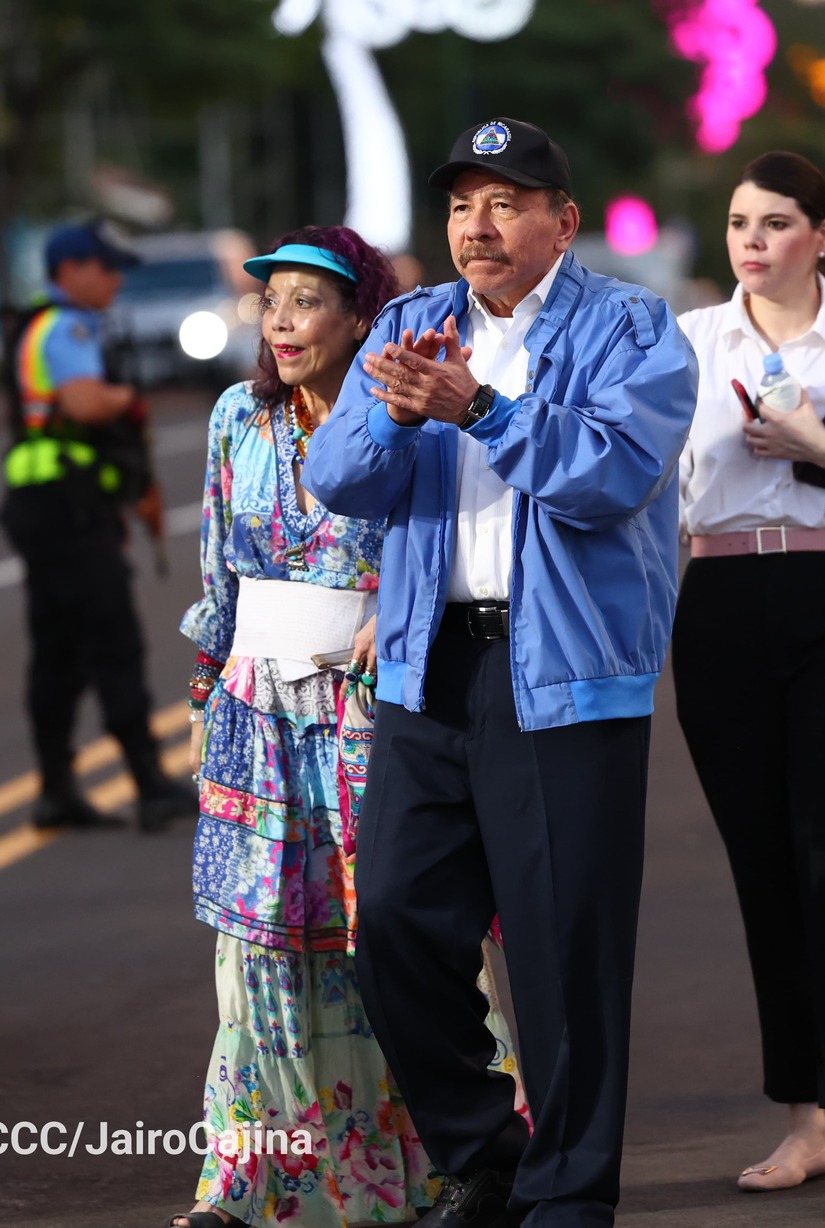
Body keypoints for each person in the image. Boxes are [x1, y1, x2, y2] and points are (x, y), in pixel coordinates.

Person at [303, 119, 698, 1228]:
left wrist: (479, 407)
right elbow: (337, 478)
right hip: (428, 667)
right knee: (394, 923)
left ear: (562, 224)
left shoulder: (630, 325)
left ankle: (570, 1194)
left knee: (565, 950)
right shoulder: (409, 323)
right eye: (461, 205)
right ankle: (489, 1152)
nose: (477, 225)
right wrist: (393, 414)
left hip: (562, 674)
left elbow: (614, 474)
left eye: (505, 202)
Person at [175, 224, 528, 1228]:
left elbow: (449, 545)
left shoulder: (408, 419)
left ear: (363, 317)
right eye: (271, 302)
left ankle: (457, 1162)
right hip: (255, 715)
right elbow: (217, 570)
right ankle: (244, 1184)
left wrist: (393, 609)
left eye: (307, 302)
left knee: (398, 938)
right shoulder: (237, 415)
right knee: (259, 952)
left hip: (372, 714)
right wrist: (205, 695)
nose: (282, 323)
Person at [673, 150, 825, 1192]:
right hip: (720, 602)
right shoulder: (688, 342)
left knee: (824, 856)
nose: (752, 241)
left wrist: (815, 441)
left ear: (819, 236)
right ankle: (806, 1118)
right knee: (766, 870)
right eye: (738, 223)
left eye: (775, 222)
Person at [1, 218, 193, 832]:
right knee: (113, 639)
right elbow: (84, 402)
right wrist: (127, 398)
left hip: (47, 501)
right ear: (71, 270)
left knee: (58, 648)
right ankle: (148, 783)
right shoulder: (69, 325)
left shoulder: (37, 323)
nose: (115, 280)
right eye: (106, 268)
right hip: (68, 505)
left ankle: (56, 790)